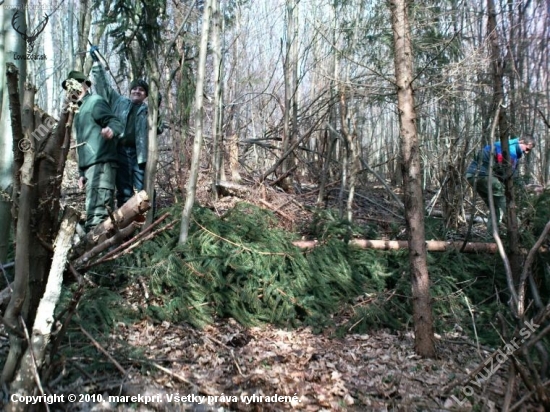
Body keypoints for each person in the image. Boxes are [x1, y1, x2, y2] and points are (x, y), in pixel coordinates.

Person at [90, 47, 160, 208]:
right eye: (135, 88)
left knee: (145, 189)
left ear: (146, 95)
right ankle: (124, 225)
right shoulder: (119, 102)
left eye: (141, 90)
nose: (137, 91)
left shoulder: (149, 111)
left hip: (139, 154)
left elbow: (158, 127)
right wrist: (96, 64)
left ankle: (146, 222)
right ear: (130, 91)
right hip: (120, 150)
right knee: (124, 190)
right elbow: (104, 87)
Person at [62, 71, 124, 232]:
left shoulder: (95, 102)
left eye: (77, 84)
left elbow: (114, 121)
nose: (73, 90)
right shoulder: (78, 111)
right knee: (94, 213)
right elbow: (83, 145)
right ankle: (98, 252)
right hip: (90, 169)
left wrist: (111, 130)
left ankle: (99, 253)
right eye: (70, 87)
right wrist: (82, 172)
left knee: (98, 216)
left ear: (85, 85)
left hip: (102, 165)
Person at [465, 136, 536, 232]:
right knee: (505, 202)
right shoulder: (510, 151)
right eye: (527, 148)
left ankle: (491, 237)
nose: (526, 152)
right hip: (483, 175)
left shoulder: (507, 146)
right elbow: (506, 173)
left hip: (471, 176)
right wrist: (521, 186)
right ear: (521, 141)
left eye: (529, 151)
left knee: (495, 207)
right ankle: (521, 230)